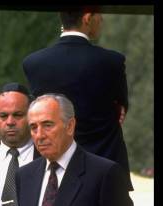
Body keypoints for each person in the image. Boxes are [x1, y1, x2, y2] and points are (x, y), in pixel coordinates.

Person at [22, 8, 132, 190]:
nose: (102, 20)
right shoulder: (112, 62)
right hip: (106, 172)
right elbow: (120, 109)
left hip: (53, 172)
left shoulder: (34, 63)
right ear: (87, 18)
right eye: (99, 15)